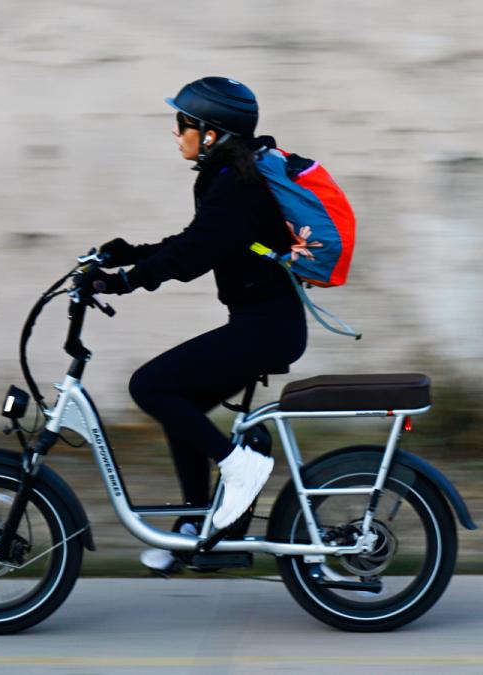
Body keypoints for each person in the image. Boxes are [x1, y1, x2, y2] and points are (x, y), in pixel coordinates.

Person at [77, 77, 307, 571]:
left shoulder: (236, 184)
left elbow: (196, 254)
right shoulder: (229, 177)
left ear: (209, 132)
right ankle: (198, 526)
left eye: (183, 123)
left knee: (152, 386)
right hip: (263, 322)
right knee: (180, 405)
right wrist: (128, 255)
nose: (176, 133)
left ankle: (239, 468)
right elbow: (197, 241)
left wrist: (126, 281)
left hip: (268, 327)